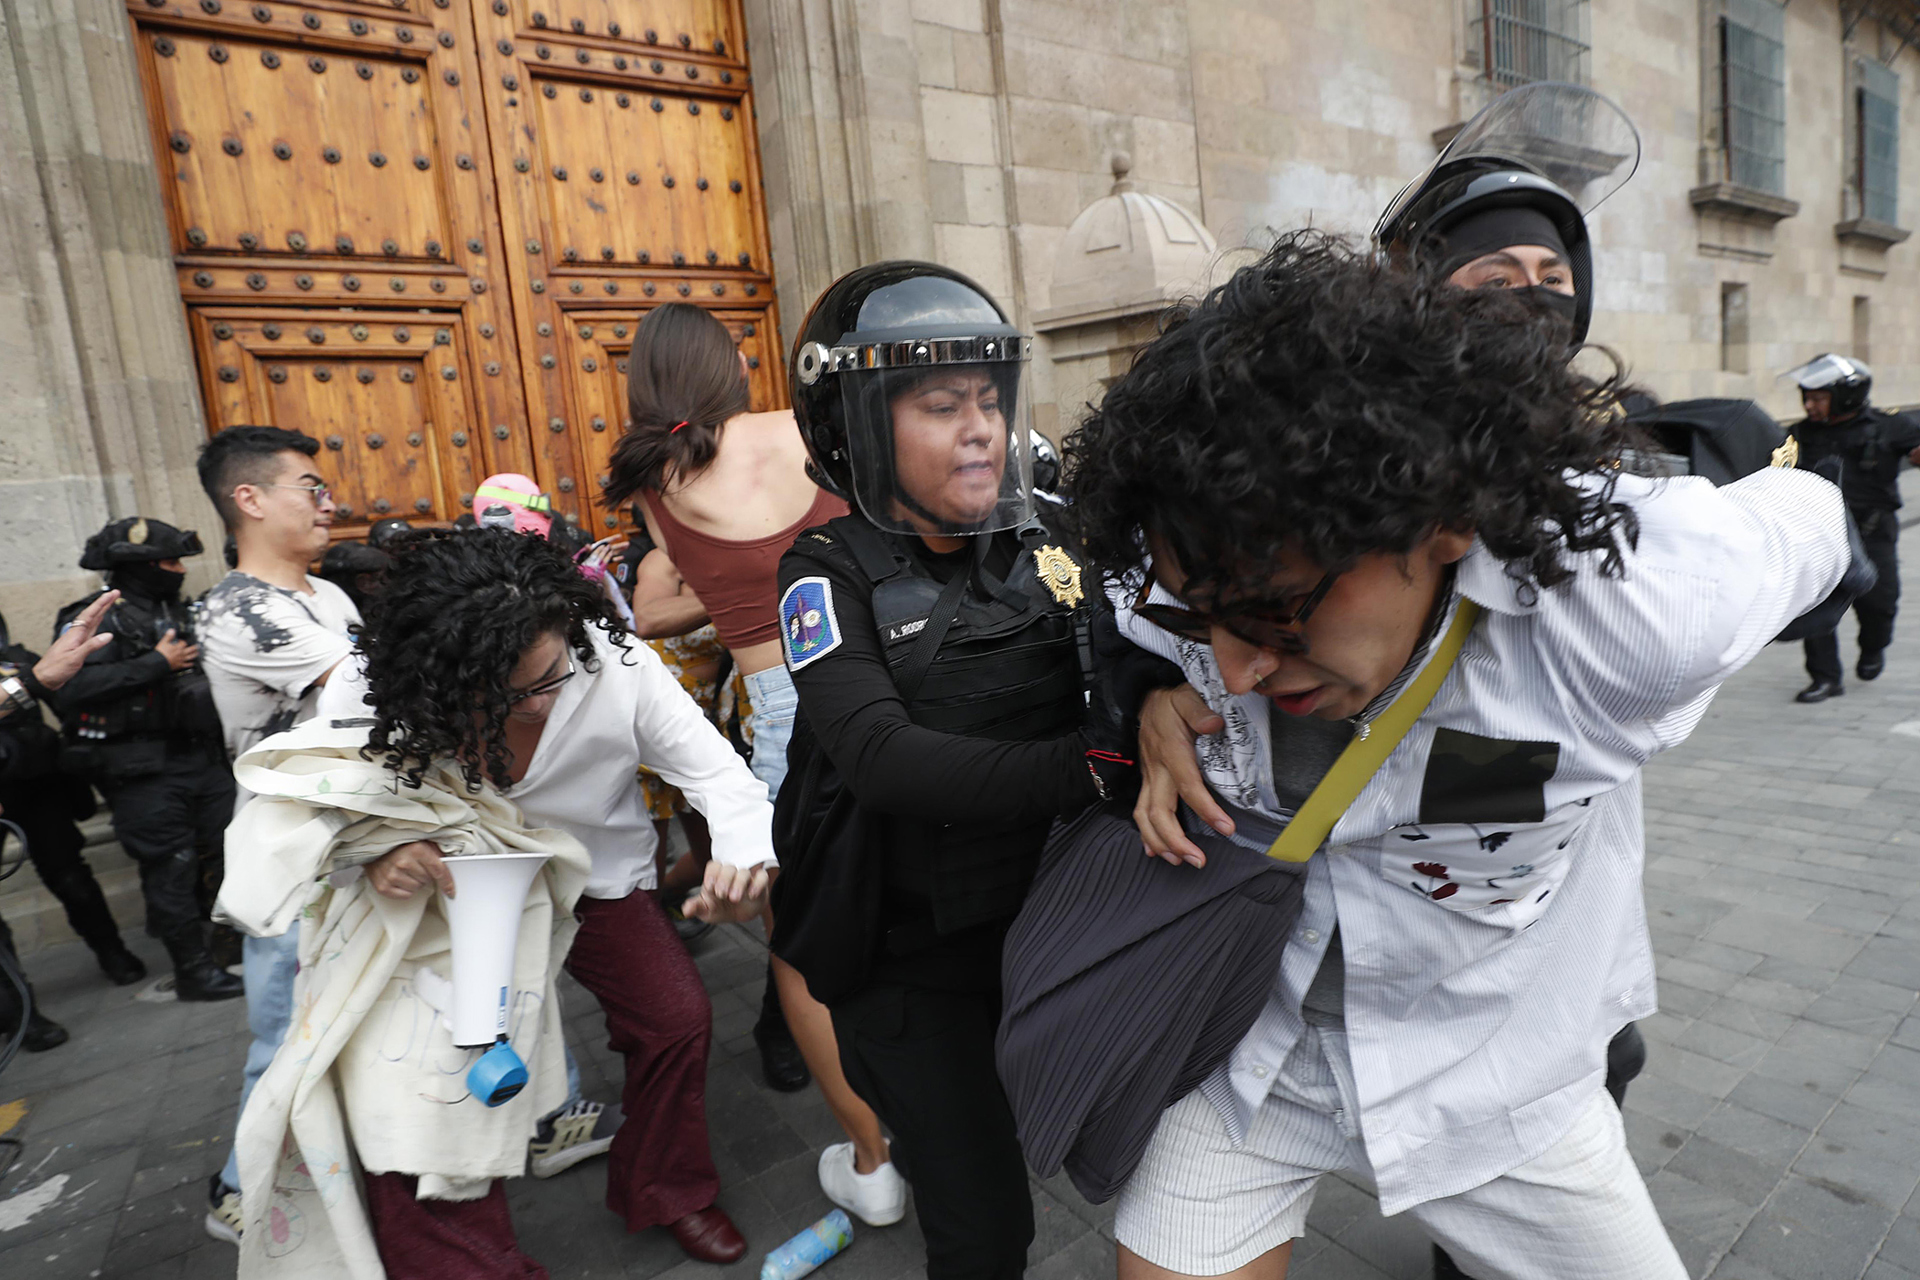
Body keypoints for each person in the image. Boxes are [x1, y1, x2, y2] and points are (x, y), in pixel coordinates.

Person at [1066, 233, 1852, 1280]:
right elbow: (1106, 617)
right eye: (1202, 618)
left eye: (1276, 612)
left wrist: (1714, 466)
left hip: (1500, 1077)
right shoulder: (1184, 573)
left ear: (1443, 519)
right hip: (1248, 1065)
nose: (1237, 667)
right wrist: (1142, 695)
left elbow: (1811, 514)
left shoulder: (1638, 604)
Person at [773, 260, 1116, 1275]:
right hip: (912, 967)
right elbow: (883, 759)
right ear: (861, 426)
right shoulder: (825, 571)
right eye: (938, 403)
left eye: (987, 400)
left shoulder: (1048, 534)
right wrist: (1098, 766)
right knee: (984, 1229)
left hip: (1048, 930)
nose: (979, 428)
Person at [315, 528, 776, 1264]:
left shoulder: (616, 663)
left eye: (547, 678)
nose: (533, 706)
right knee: (432, 1081)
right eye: (499, 696)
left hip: (591, 872)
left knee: (675, 1016)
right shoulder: (369, 683)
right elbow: (324, 796)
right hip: (447, 891)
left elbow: (719, 777)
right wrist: (379, 849)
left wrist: (743, 855)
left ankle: (668, 1189)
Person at [1373, 82, 1650, 1279]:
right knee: (1494, 1016)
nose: (1536, 295)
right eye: (1497, 277)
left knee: (1601, 1031)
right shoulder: (1376, 429)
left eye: (1554, 272)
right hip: (1463, 754)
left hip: (1580, 775)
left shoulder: (1606, 430)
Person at [600, 303, 907, 1214]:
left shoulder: (657, 482)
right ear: (734, 362)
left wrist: (730, 599)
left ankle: (870, 1160)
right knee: (925, 892)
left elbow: (652, 609)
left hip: (782, 713)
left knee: (805, 946)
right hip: (889, 678)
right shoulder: (811, 429)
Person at [194, 425, 359, 1244]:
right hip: (292, 851)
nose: (330, 504)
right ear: (249, 499)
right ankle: (239, 1189)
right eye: (311, 487)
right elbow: (365, 691)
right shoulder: (238, 609)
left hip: (356, 838)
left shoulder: (326, 596)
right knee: (286, 1033)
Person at [54, 517, 239, 1001]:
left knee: (232, 851)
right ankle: (193, 972)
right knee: (171, 867)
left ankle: (232, 947)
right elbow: (68, 686)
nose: (179, 570)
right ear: (136, 567)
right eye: (169, 562)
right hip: (141, 770)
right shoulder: (95, 618)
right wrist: (155, 664)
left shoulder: (181, 610)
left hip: (202, 757)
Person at [0, 593, 124, 1054]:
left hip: (36, 789)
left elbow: (65, 706)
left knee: (71, 876)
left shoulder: (16, 662)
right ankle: (18, 1013)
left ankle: (113, 953)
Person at [1783, 353, 1920, 702]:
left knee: (1880, 604)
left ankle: (1874, 648)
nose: (1810, 405)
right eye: (1807, 397)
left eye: (1818, 398)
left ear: (1846, 395)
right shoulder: (1798, 434)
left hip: (1873, 531)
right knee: (1814, 607)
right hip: (1820, 534)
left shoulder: (1889, 425)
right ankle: (1826, 678)